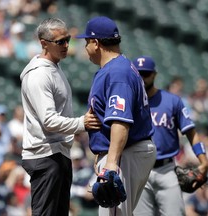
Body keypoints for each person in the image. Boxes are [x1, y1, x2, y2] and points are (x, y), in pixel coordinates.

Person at [75, 16, 156, 215]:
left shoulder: (117, 72)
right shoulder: (117, 68)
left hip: (127, 153)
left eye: (87, 42)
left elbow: (121, 121)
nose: (85, 47)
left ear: (96, 43)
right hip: (127, 152)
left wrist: (111, 162)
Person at [20, 18, 101, 216]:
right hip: (45, 154)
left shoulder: (54, 67)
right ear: (43, 43)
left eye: (68, 40)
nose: (66, 45)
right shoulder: (39, 74)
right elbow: (48, 120)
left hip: (57, 153)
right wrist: (82, 123)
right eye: (60, 42)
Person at [132, 55, 208, 216]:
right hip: (138, 169)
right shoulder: (129, 102)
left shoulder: (172, 101)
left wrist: (204, 160)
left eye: (146, 74)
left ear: (154, 74)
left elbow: (191, 133)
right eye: (139, 74)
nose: (142, 78)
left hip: (166, 169)